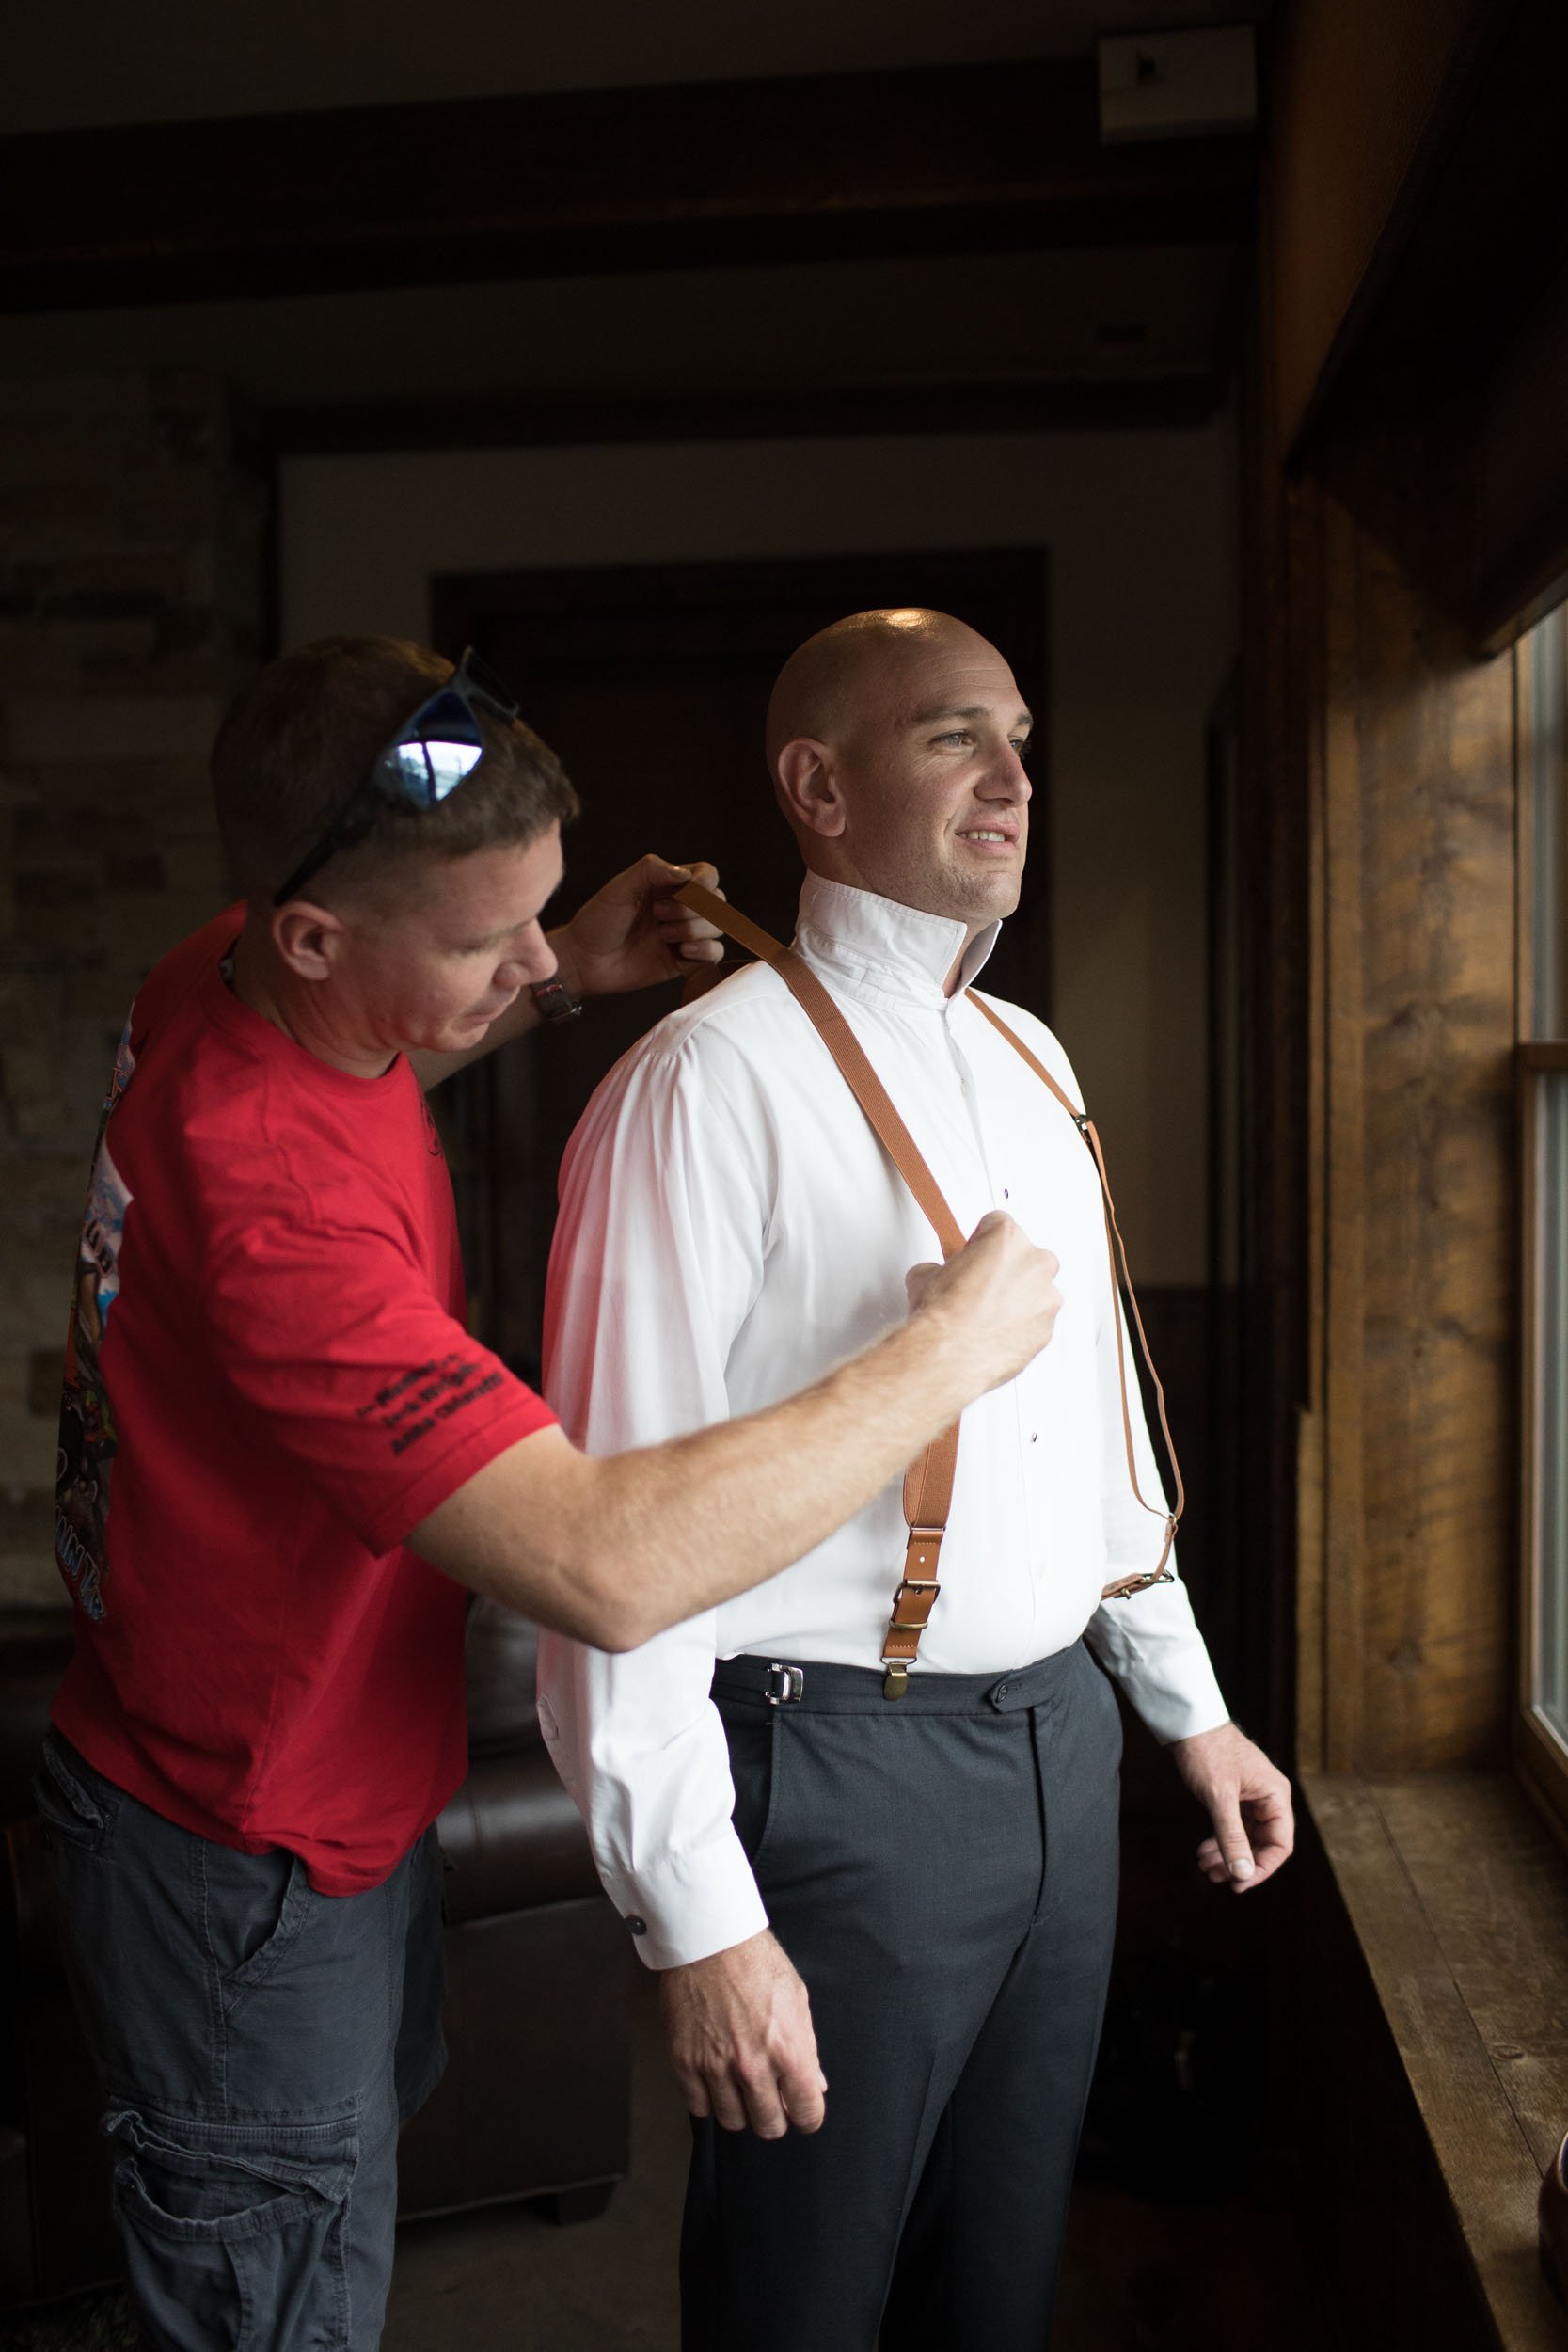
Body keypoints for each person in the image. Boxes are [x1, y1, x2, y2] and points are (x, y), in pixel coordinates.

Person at [37, 634, 1064, 2352]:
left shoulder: (217, 971)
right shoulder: (282, 1225)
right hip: (239, 1851)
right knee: (269, 2296)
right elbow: (605, 1565)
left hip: (301, 1771)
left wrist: (567, 967)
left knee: (325, 2209)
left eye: (544, 908)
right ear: (315, 935)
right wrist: (939, 1363)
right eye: (488, 940)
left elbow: (363, 1053)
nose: (530, 957)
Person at [537, 607, 1296, 2352]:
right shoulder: (697, 1091)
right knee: (803, 2302)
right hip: (834, 1784)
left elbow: (1097, 1436)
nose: (1017, 781)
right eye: (958, 736)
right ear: (817, 786)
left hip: (1061, 1754)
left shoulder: (1038, 1063)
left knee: (1001, 2287)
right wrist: (700, 1925)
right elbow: (610, 1553)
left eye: (1021, 737)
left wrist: (1187, 1708)